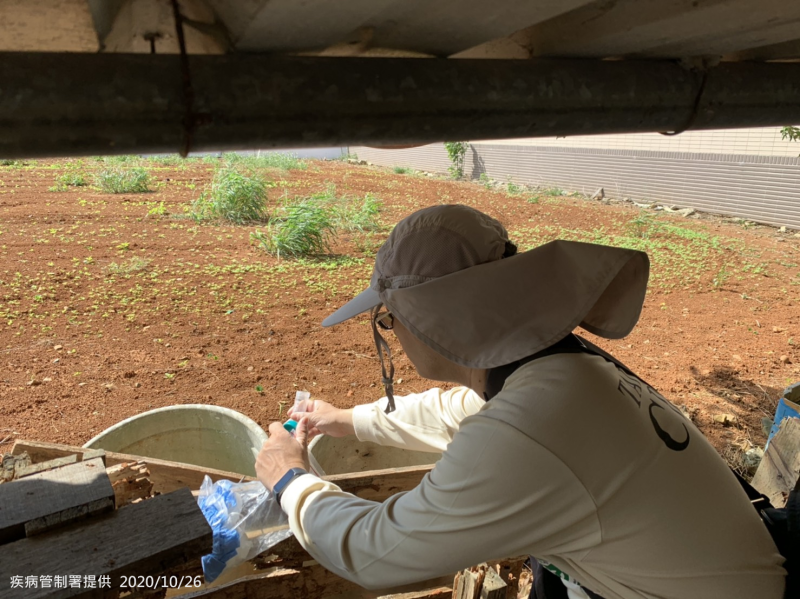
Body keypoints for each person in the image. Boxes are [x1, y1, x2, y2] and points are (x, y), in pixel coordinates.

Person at [255, 204, 786, 599]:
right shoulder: (561, 371)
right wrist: (346, 419)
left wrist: (289, 479)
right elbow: (459, 413)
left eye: (389, 321)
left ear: (431, 320)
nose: (393, 333)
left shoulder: (532, 434)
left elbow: (375, 551)